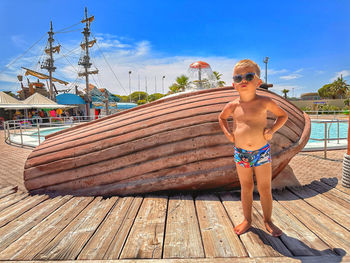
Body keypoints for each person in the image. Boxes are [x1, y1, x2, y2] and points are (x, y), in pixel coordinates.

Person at [218, 59, 288, 237]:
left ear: (258, 82)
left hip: (261, 151)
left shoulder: (264, 101)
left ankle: (267, 220)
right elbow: (221, 118)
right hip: (241, 152)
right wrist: (228, 134)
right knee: (246, 187)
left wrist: (272, 130)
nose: (243, 80)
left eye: (249, 76)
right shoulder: (233, 105)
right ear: (234, 84)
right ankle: (247, 220)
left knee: (265, 188)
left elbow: (283, 116)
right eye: (238, 77)